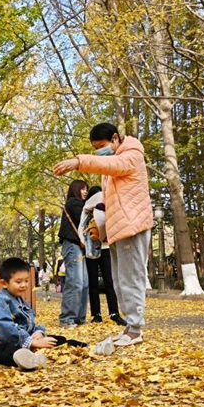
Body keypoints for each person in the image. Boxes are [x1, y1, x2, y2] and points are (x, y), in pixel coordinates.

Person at [53, 122, 152, 347]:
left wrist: (78, 161)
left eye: (101, 146)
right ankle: (130, 328)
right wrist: (99, 227)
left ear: (116, 138)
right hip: (119, 228)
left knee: (130, 278)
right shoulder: (112, 168)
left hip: (132, 225)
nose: (100, 151)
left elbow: (114, 164)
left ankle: (135, 329)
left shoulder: (132, 154)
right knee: (119, 281)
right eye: (95, 148)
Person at [0, 257, 87, 370]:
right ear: (4, 283)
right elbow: (5, 328)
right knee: (1, 351)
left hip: (19, 340)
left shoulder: (20, 300)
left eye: (26, 281)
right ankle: (29, 360)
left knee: (56, 339)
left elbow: (29, 323)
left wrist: (38, 332)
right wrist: (31, 342)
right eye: (18, 282)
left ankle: (83, 347)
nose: (24, 285)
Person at [81, 185, 126, 325]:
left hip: (101, 248)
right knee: (100, 282)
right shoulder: (87, 211)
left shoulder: (105, 208)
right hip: (94, 248)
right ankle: (103, 314)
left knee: (104, 282)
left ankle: (108, 314)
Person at [57, 179, 89, 327]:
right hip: (72, 245)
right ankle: (67, 318)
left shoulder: (81, 205)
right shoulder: (73, 203)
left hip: (79, 247)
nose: (85, 191)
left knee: (83, 284)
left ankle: (79, 318)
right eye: (82, 189)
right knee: (74, 282)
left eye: (86, 189)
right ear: (76, 190)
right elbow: (84, 219)